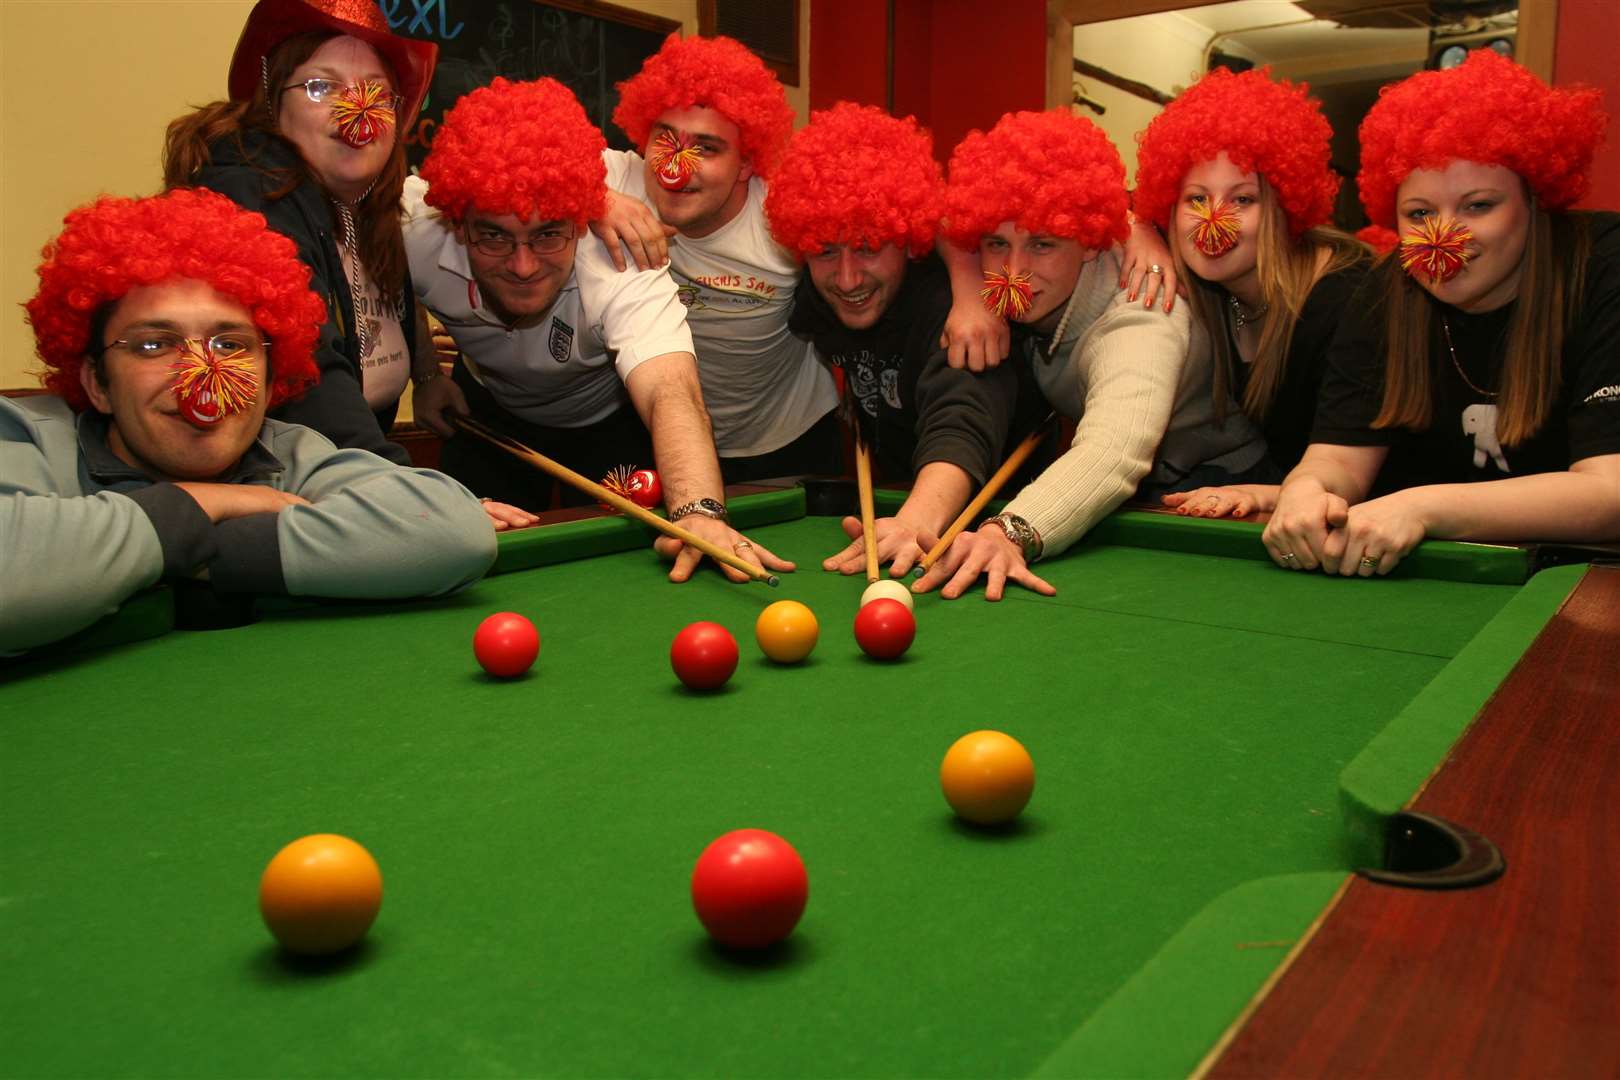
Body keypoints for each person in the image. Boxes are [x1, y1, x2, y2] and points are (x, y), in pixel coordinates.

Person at [2, 189, 496, 656]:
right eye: (155, 344)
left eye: (230, 345)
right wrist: (204, 503)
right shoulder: (25, 438)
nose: (201, 377)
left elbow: (453, 532)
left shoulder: (288, 452)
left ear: (267, 378)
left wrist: (180, 550)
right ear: (97, 384)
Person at [403, 76, 790, 584]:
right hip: (491, 420)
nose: (523, 266)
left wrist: (700, 511)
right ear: (458, 224)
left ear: (579, 222)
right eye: (494, 237)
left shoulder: (618, 260)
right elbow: (383, 283)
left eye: (547, 235)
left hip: (608, 425)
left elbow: (671, 388)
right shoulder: (416, 231)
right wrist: (427, 374)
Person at [1265, 51, 1620, 576]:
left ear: (1535, 201)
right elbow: (1338, 460)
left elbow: (1611, 493)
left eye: (1478, 206)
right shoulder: (1385, 290)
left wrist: (1422, 507)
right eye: (1420, 213)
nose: (1442, 238)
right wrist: (1305, 491)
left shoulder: (1605, 264)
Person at [914, 110, 1268, 601]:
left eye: (1042, 244)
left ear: (1087, 243)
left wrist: (1007, 532)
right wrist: (969, 285)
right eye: (997, 243)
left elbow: (1113, 448)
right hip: (1146, 480)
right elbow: (937, 217)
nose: (1015, 269)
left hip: (1218, 489)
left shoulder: (1142, 311)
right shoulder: (1032, 275)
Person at [764, 102, 1031, 577]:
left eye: (868, 248)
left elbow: (962, 421)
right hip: (895, 483)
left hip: (995, 516)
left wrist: (915, 520)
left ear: (908, 238)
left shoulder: (950, 307)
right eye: (826, 251)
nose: (846, 280)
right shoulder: (813, 298)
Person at [162, 0, 433, 466]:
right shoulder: (250, 197)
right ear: (271, 102)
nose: (357, 109)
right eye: (320, 86)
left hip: (340, 481)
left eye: (376, 91)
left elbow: (381, 307)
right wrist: (410, 494)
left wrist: (429, 377)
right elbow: (310, 370)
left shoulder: (364, 208)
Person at [1127, 67, 1372, 520]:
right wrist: (1139, 227)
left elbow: (1352, 466)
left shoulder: (1350, 297)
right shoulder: (1214, 295)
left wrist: (1266, 494)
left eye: (1242, 200)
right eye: (1196, 199)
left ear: (1284, 208)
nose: (1213, 219)